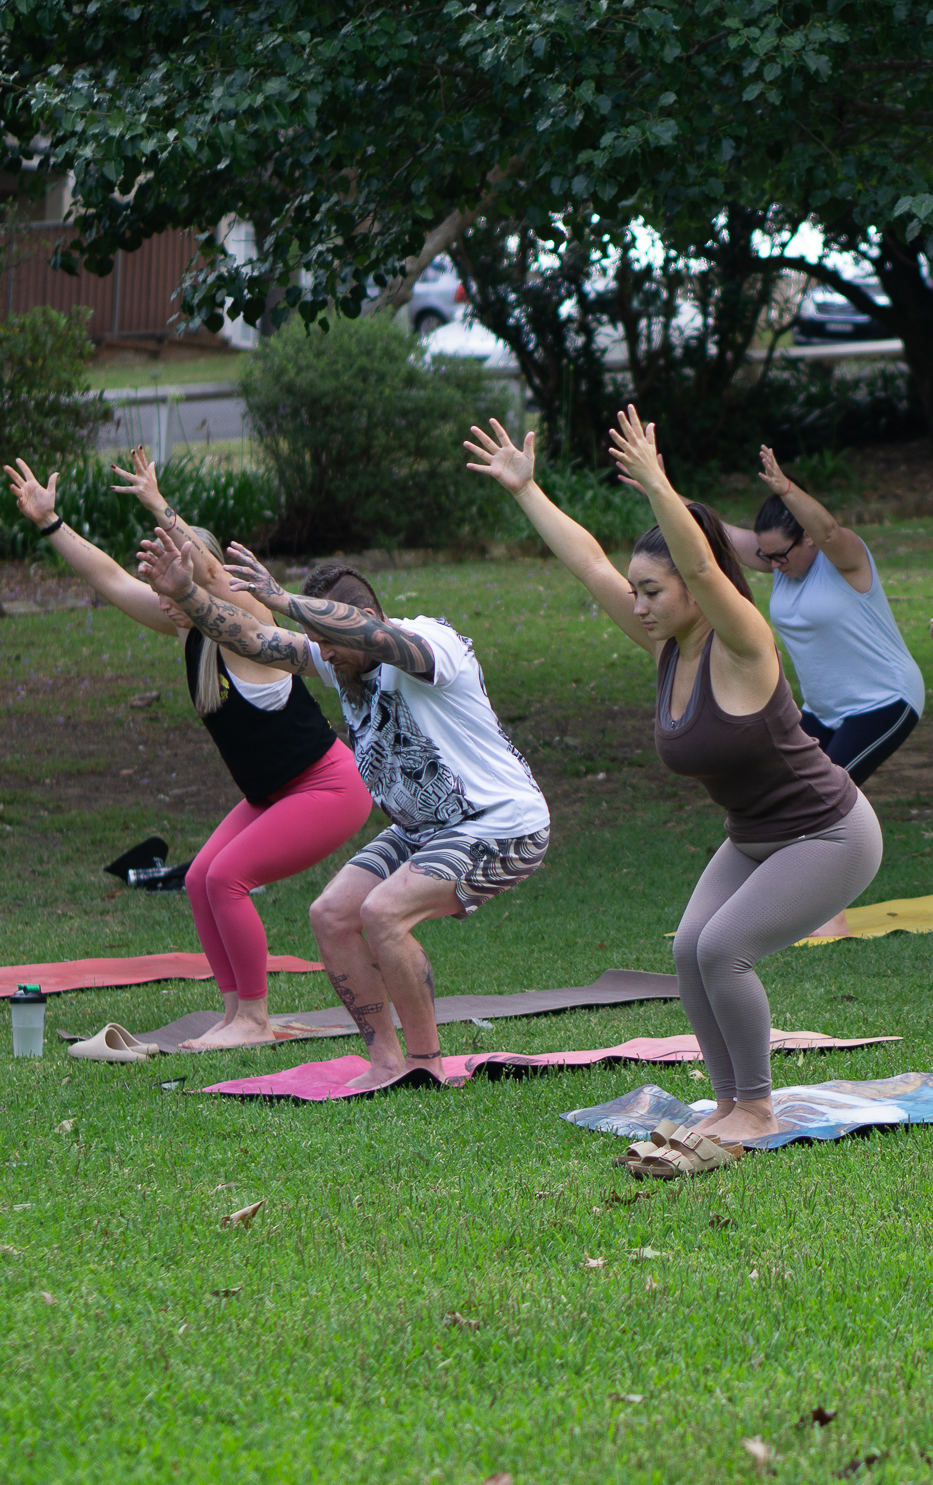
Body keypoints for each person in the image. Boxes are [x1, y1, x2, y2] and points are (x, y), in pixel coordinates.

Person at [465, 409, 883, 1145]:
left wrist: (657, 483)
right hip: (755, 835)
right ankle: (728, 1104)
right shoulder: (665, 646)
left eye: (651, 591)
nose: (637, 603)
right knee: (690, 946)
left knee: (724, 949)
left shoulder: (744, 643)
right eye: (636, 591)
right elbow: (591, 564)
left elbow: (698, 563)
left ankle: (756, 1105)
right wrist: (525, 491)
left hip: (829, 833)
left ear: (695, 589)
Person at [137, 526, 551, 1091]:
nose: (323, 654)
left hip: (502, 824)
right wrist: (188, 594)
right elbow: (257, 639)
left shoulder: (429, 642)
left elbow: (374, 637)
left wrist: (284, 600)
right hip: (425, 829)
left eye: (329, 638)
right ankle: (384, 1060)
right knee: (330, 915)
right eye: (318, 641)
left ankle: (428, 1065)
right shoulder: (338, 659)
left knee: (382, 912)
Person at [3, 451, 371, 1050]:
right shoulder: (185, 627)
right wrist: (51, 523)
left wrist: (156, 502)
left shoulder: (244, 623)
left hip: (328, 787)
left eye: (174, 575)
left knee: (227, 876)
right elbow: (110, 579)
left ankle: (254, 1021)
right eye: (159, 578)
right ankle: (237, 1017)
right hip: (277, 791)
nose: (158, 589)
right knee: (201, 876)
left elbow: (215, 573)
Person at [724, 447, 922, 938]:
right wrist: (661, 488)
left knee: (822, 802)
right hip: (825, 711)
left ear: (807, 538)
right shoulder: (782, 561)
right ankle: (771, 902)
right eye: (765, 556)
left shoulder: (846, 562)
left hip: (885, 701)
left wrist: (787, 489)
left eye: (780, 554)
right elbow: (720, 537)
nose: (771, 564)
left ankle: (828, 915)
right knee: (774, 788)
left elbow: (832, 531)